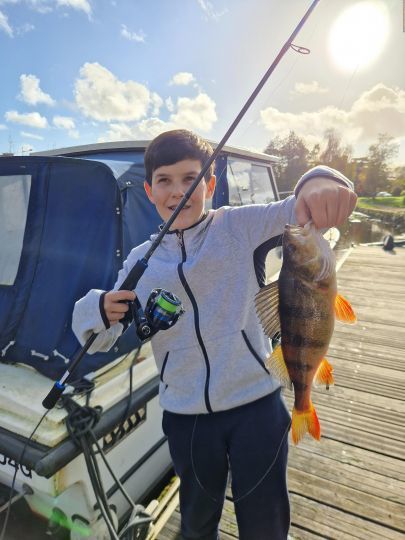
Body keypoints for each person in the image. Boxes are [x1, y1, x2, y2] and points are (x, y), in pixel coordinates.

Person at [72, 129, 356, 540]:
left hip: (256, 406)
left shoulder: (240, 227)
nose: (178, 192)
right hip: (186, 420)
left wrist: (320, 180)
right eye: (165, 181)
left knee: (265, 523)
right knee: (197, 524)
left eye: (191, 179)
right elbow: (100, 339)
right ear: (149, 191)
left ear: (210, 184)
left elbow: (301, 206)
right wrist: (95, 310)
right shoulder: (140, 261)